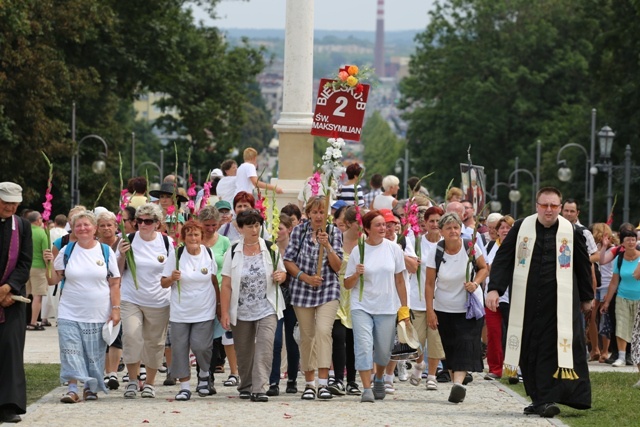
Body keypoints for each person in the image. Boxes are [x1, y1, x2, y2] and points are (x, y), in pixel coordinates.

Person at [487, 187, 593, 418]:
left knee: (551, 350)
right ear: (537, 205)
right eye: (544, 205)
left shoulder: (571, 231)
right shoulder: (521, 228)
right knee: (528, 350)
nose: (549, 210)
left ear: (560, 206)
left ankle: (545, 400)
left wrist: (587, 297)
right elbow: (504, 258)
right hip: (525, 303)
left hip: (559, 305)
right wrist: (495, 288)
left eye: (554, 206)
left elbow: (583, 266)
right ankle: (538, 399)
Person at [44, 211, 121, 403]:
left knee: (94, 354)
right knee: (70, 350)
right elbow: (53, 279)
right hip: (69, 311)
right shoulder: (67, 251)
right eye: (78, 226)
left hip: (98, 312)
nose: (83, 228)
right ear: (74, 229)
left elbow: (114, 282)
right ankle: (72, 389)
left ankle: (90, 387)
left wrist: (116, 309)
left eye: (87, 225)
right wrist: (49, 264)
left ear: (95, 228)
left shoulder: (105, 251)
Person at [220, 209, 286, 402]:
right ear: (240, 228)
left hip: (267, 306)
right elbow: (225, 284)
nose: (254, 229)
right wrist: (224, 312)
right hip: (240, 309)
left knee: (265, 345)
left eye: (257, 225)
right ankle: (246, 385)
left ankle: (260, 388)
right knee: (244, 350)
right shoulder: (233, 251)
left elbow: (282, 273)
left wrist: (280, 276)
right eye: (249, 226)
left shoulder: (270, 248)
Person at [344, 210, 410, 403]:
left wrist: (404, 309)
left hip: (387, 306)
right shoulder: (359, 250)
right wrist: (356, 274)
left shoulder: (393, 249)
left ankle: (379, 378)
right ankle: (366, 388)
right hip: (362, 306)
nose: (384, 228)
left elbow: (400, 280)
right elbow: (347, 284)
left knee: (383, 350)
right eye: (379, 225)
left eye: (385, 225)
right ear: (366, 229)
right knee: (363, 347)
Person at [283, 196, 343, 401]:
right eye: (315, 212)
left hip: (327, 289)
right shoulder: (299, 232)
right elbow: (288, 260)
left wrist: (328, 246)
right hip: (303, 289)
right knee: (307, 336)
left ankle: (324, 382)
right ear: (308, 213)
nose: (318, 216)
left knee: (323, 331)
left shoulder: (334, 232)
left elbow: (337, 267)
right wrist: (305, 278)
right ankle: (309, 382)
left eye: (322, 212)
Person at [425, 212, 488, 404]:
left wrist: (475, 283)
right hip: (444, 307)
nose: (453, 231)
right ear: (442, 231)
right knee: (451, 347)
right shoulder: (436, 251)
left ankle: (458, 384)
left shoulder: (470, 246)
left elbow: (484, 268)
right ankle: (456, 384)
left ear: (461, 229)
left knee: (464, 343)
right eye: (449, 228)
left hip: (469, 308)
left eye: (456, 227)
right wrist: (430, 311)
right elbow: (429, 283)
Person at [117, 203, 173, 399]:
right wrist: (122, 254)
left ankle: (149, 383)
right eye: (139, 221)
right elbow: (117, 270)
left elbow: (172, 272)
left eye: (148, 221)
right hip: (131, 297)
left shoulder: (167, 243)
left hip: (159, 300)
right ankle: (133, 380)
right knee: (132, 336)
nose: (143, 224)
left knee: (155, 343)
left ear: (157, 224)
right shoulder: (127, 239)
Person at [161, 220, 219, 400]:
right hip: (180, 311)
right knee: (179, 349)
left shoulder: (208, 253)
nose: (193, 238)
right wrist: (172, 278)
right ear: (184, 237)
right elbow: (163, 283)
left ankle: (203, 374)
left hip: (204, 309)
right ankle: (184, 386)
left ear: (201, 237)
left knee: (201, 346)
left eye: (196, 235)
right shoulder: (176, 255)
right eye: (189, 235)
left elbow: (214, 280)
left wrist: (219, 306)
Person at [0, 182, 32, 423]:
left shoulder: (22, 226)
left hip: (12, 299)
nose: (10, 207)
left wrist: (9, 287)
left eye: (14, 203)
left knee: (11, 350)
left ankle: (9, 405)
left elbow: (25, 262)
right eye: (5, 202)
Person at [406, 206, 447, 391]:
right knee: (416, 340)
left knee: (435, 339)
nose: (435, 224)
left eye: (439, 221)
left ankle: (431, 375)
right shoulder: (416, 242)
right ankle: (419, 363)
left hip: (440, 299)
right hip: (417, 297)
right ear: (425, 223)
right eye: (432, 221)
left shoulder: (447, 244)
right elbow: (410, 265)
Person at [198, 205, 234, 385]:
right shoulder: (194, 240)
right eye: (207, 225)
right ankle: (201, 372)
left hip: (220, 294)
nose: (211, 229)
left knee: (214, 338)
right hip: (199, 295)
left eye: (214, 225)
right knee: (200, 338)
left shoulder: (225, 242)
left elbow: (229, 269)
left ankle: (209, 374)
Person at [266, 214, 300, 396]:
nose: (277, 232)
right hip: (275, 298)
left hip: (294, 298)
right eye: (274, 228)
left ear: (288, 229)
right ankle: (273, 380)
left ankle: (292, 378)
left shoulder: (295, 250)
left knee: (293, 339)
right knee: (276, 340)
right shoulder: (269, 249)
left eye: (279, 228)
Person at [600, 226, 640, 368]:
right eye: (628, 240)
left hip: (639, 299)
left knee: (637, 330)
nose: (631, 242)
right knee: (621, 327)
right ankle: (621, 357)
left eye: (633, 240)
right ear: (622, 243)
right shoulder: (619, 259)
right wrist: (607, 302)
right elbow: (614, 282)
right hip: (622, 297)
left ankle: (636, 358)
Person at [330, 207, 360, 396]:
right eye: (360, 223)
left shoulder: (364, 243)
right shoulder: (337, 240)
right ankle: (339, 378)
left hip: (356, 294)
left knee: (353, 339)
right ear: (349, 223)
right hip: (337, 292)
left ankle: (352, 380)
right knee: (339, 336)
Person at [484, 215, 514, 381]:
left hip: (512, 297)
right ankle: (495, 369)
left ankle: (513, 368)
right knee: (494, 334)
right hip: (492, 299)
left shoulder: (519, 247)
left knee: (512, 335)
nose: (505, 231)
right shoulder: (489, 246)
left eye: (508, 228)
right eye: (502, 228)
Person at [97, 211, 124, 390]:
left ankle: (113, 372)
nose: (107, 229)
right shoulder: (94, 246)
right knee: (102, 334)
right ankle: (105, 372)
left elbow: (121, 272)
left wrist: (120, 255)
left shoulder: (123, 244)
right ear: (97, 229)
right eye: (102, 225)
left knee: (116, 333)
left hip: (120, 292)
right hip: (99, 294)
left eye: (110, 225)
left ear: (116, 226)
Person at [25, 211, 48, 331]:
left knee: (24, 295)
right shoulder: (41, 233)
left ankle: (22, 320)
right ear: (38, 220)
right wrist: (48, 268)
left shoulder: (23, 231)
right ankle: (33, 322)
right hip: (38, 267)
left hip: (24, 267)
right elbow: (45, 252)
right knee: (37, 296)